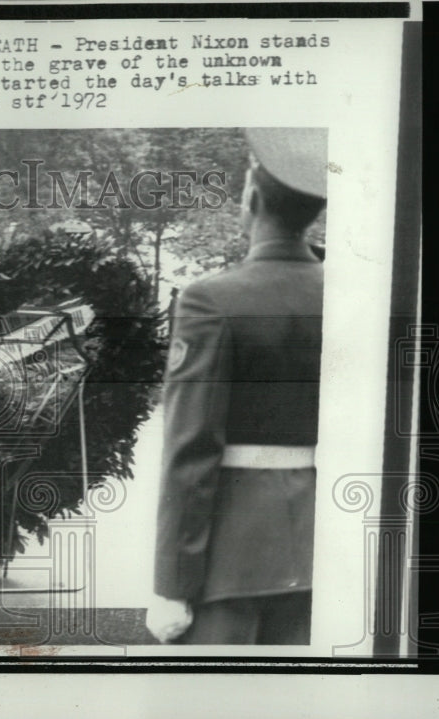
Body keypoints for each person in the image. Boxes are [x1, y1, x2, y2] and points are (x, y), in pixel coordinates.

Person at [149, 129, 327, 645]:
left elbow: (190, 448)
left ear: (250, 199)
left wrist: (171, 584)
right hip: (323, 553)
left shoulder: (211, 300)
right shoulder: (348, 294)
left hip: (229, 560)